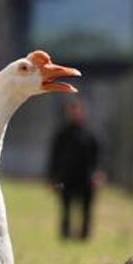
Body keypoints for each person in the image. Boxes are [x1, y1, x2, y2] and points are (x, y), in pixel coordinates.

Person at [47, 100, 102, 240]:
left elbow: (98, 157)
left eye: (78, 111)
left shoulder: (90, 135)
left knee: (86, 209)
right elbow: (54, 157)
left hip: (86, 178)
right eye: (73, 111)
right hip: (66, 178)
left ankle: (84, 236)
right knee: (66, 208)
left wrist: (97, 174)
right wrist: (52, 178)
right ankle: (65, 235)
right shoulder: (61, 135)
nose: (76, 114)